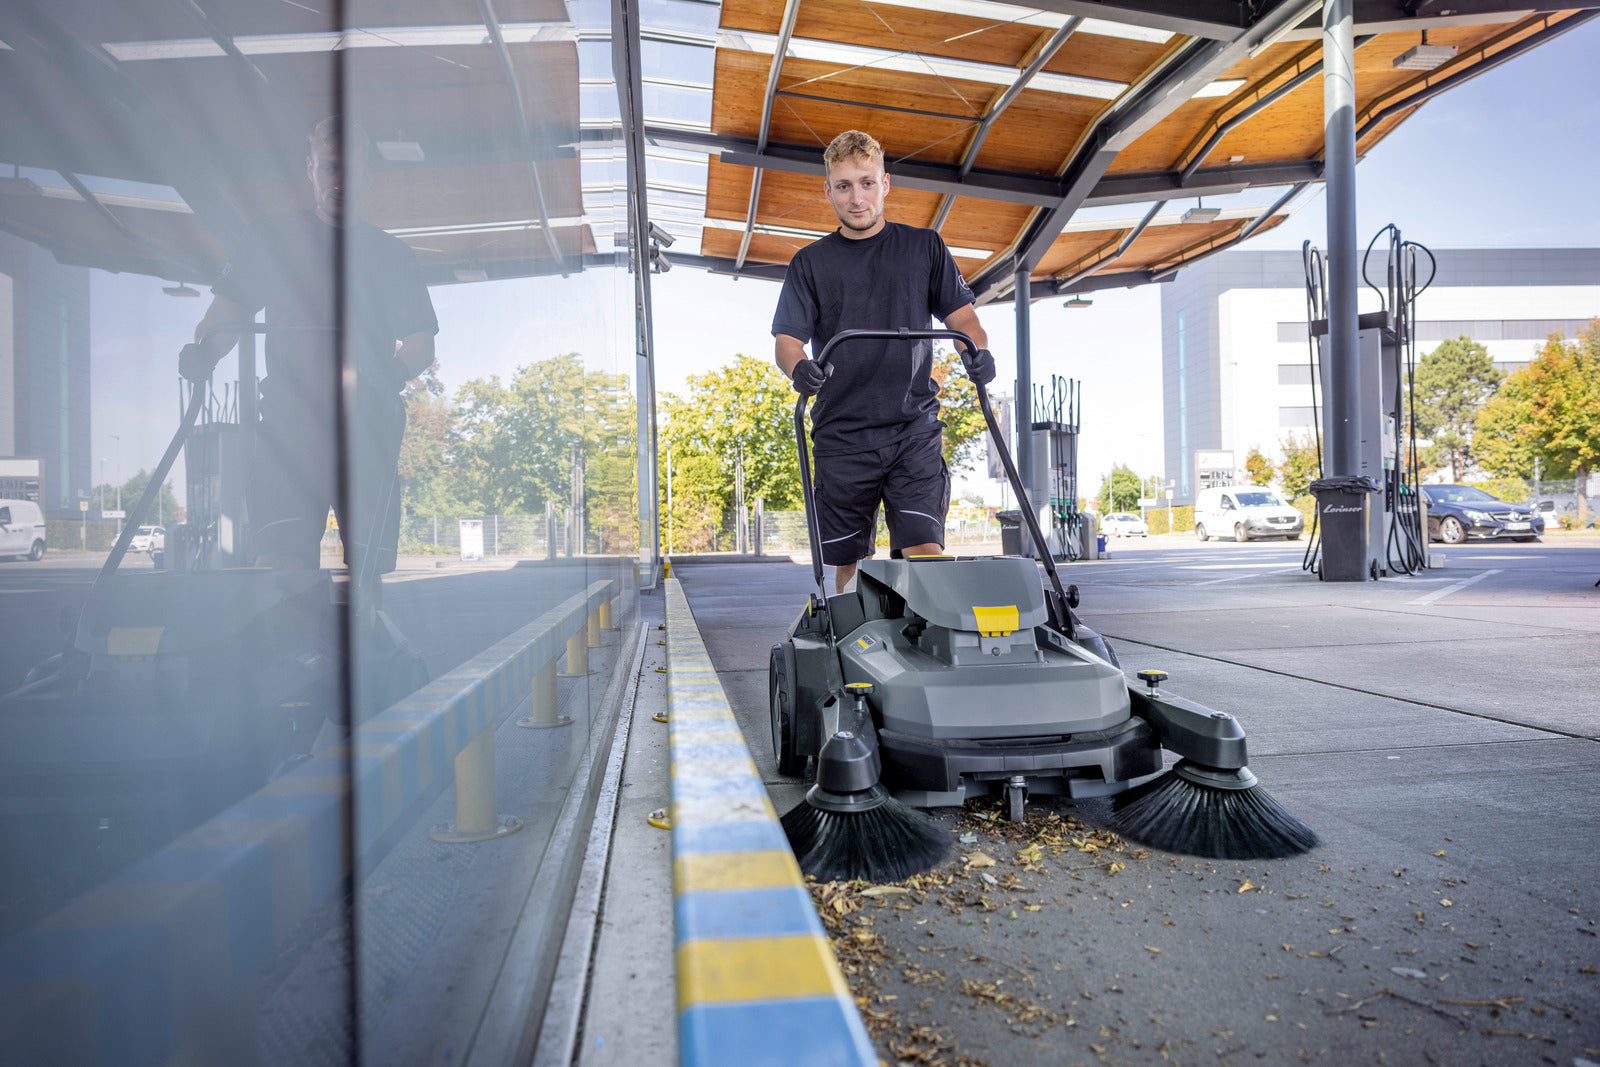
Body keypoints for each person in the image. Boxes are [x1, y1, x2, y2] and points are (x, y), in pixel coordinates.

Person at [181, 116, 438, 584]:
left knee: (366, 574)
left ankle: (365, 629)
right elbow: (226, 315)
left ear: (367, 175)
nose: (339, 181)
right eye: (328, 168)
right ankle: (288, 630)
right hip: (289, 431)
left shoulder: (392, 256)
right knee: (278, 563)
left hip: (368, 432)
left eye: (351, 171)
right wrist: (204, 351)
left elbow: (422, 342)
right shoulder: (271, 240)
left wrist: (391, 373)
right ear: (309, 168)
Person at [772, 129, 993, 592]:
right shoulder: (810, 263)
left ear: (885, 184)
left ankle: (926, 634)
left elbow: (964, 320)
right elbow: (788, 341)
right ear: (828, 190)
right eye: (844, 186)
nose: (857, 198)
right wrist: (799, 369)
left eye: (867, 183)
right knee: (851, 564)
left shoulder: (925, 247)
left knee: (925, 552)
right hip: (842, 434)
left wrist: (978, 352)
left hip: (912, 428)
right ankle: (856, 633)